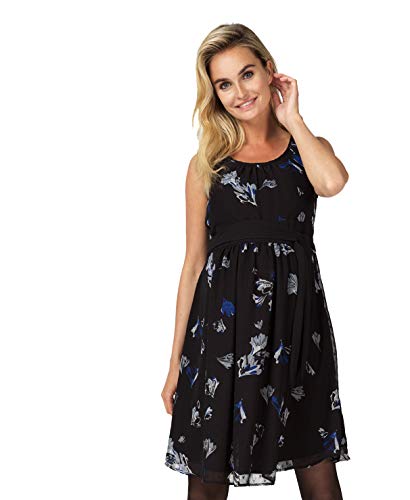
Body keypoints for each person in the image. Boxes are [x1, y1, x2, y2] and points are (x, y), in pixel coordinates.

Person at [161, 23, 351, 499]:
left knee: (319, 475)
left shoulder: (307, 149)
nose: (240, 92)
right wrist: (174, 365)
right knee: (208, 481)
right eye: (224, 84)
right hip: (221, 339)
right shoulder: (207, 165)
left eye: (247, 74)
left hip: (296, 335)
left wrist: (294, 119)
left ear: (270, 71)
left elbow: (332, 183)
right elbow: (193, 265)